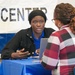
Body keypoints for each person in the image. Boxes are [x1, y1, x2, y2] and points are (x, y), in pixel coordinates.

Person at [41, 3, 75, 75]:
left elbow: (49, 64)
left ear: (59, 22)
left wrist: (43, 58)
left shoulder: (57, 36)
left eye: (54, 20)